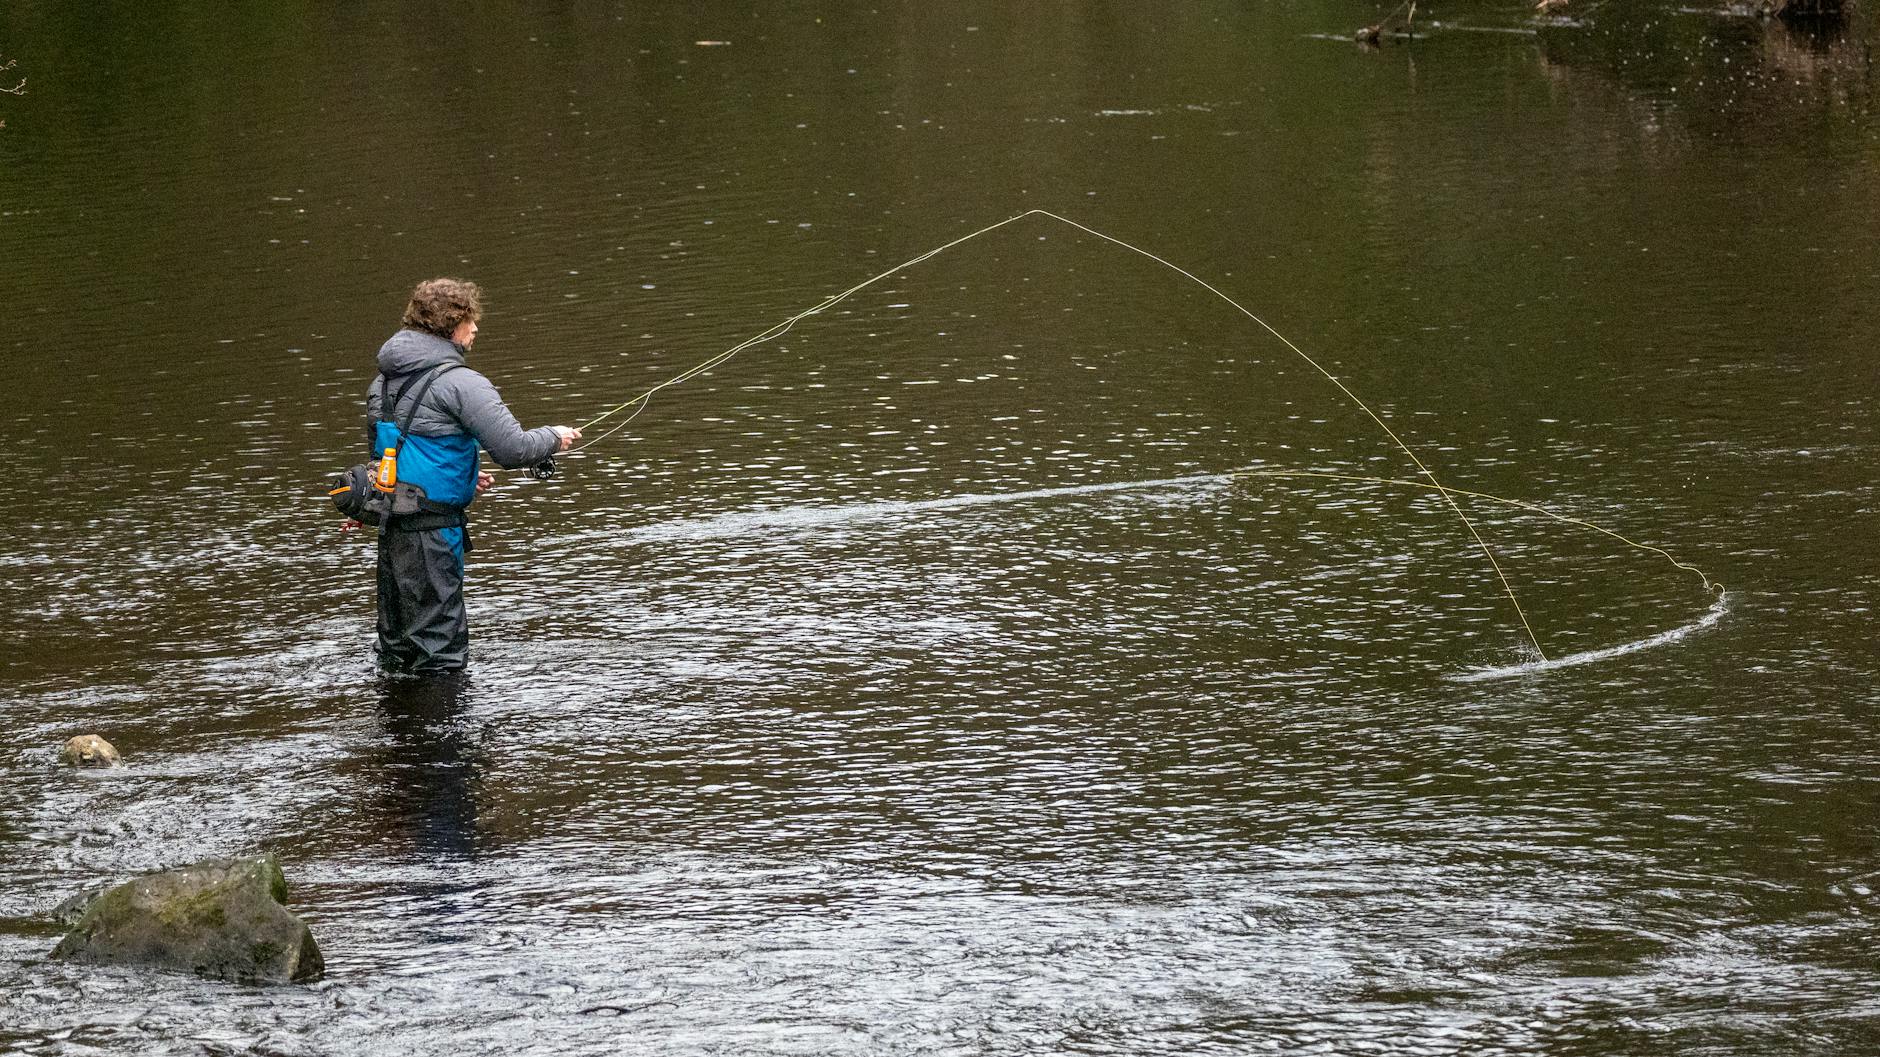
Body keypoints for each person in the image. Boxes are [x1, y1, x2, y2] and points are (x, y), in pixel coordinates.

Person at [365, 278, 580, 673]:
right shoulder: (461, 382)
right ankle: (443, 732)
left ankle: (402, 728)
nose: (476, 328)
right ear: (450, 325)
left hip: (392, 528)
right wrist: (554, 436)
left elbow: (389, 453)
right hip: (433, 535)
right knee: (440, 654)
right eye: (469, 319)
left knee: (397, 652)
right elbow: (512, 449)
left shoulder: (383, 380)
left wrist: (463, 475)